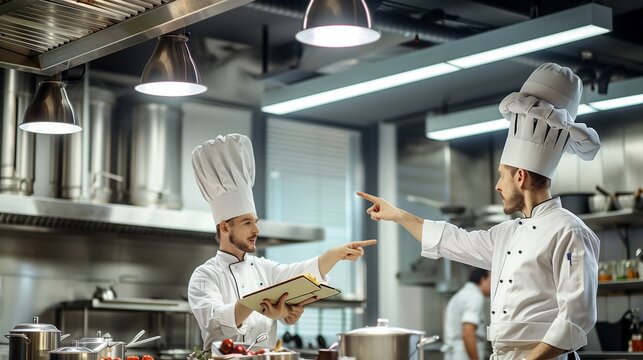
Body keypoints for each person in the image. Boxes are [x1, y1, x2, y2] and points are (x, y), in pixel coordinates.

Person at [358, 63, 601, 360]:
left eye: (502, 175)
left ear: (521, 177)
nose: (497, 186)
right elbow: (451, 239)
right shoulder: (507, 234)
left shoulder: (570, 231)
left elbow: (577, 318)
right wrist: (397, 214)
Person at [188, 133, 377, 351]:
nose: (256, 229)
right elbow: (215, 322)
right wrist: (263, 306)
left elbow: (298, 275)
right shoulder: (205, 275)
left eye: (255, 222)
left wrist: (334, 255)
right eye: (247, 223)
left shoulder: (263, 268)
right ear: (225, 227)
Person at [442, 268, 491, 360]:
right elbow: (468, 333)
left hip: (454, 353)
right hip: (464, 354)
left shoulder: (461, 294)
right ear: (482, 279)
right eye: (490, 281)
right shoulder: (475, 296)